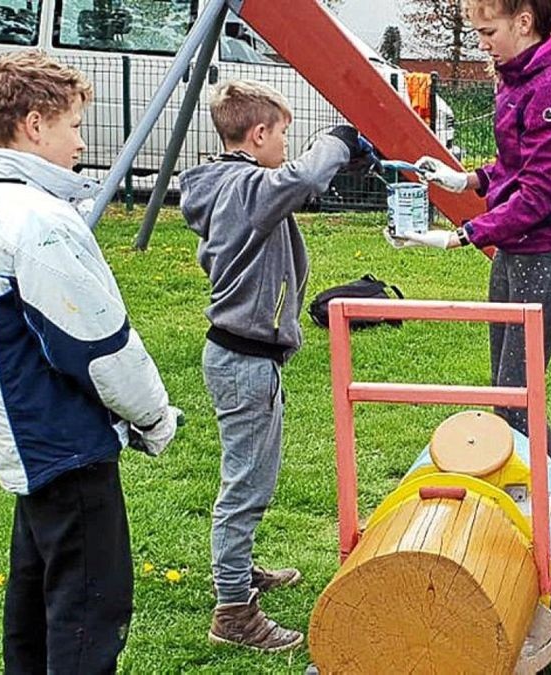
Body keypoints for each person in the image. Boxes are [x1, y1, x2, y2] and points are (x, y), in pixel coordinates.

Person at [0, 51, 180, 673]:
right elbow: (97, 346)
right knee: (88, 613)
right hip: (66, 447)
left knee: (34, 606)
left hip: (30, 445)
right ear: (33, 124)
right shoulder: (38, 222)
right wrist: (154, 416)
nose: (82, 140)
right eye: (74, 125)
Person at [179, 79, 379, 651]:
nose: (287, 145)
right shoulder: (246, 189)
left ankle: (239, 573)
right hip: (245, 362)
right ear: (259, 134)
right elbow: (303, 177)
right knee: (246, 486)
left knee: (247, 477)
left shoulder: (227, 185)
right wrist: (338, 138)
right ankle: (233, 611)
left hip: (240, 356)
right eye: (284, 134)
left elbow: (295, 186)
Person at [404, 1, 551, 468]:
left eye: (488, 32)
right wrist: (465, 180)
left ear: (523, 22)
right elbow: (514, 167)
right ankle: (536, 503)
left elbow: (537, 197)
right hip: (517, 250)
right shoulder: (516, 80)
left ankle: (550, 522)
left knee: (514, 396)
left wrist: (460, 236)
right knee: (506, 391)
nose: (481, 44)